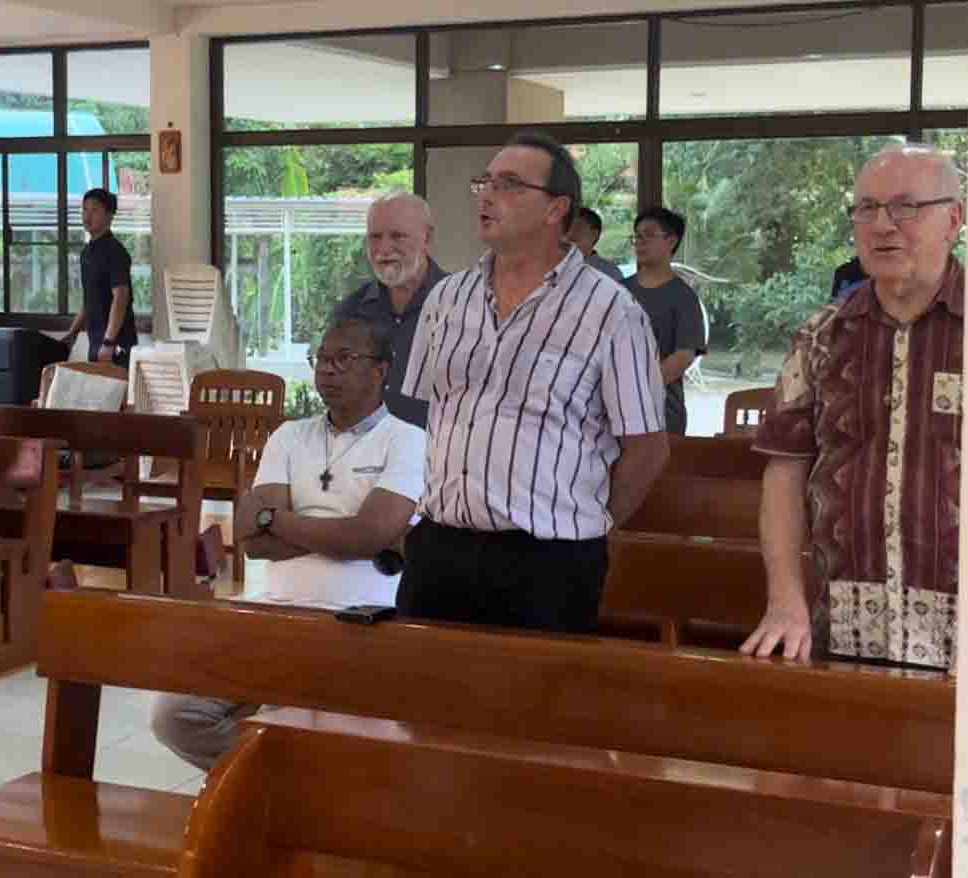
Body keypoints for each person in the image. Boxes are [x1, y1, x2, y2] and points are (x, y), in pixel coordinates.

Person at [397, 131, 669, 635]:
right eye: (485, 182)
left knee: (535, 689)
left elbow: (648, 448)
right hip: (440, 548)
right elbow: (425, 417)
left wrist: (589, 522)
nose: (487, 195)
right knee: (421, 684)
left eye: (508, 185)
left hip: (550, 560)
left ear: (555, 209)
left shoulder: (610, 311)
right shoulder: (446, 300)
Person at [150, 316, 426, 769]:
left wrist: (277, 520)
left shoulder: (408, 441)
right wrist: (352, 536)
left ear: (380, 371)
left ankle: (287, 788)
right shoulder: (290, 436)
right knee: (175, 713)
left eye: (344, 359)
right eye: (322, 358)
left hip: (363, 624)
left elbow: (367, 533)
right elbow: (253, 542)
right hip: (275, 612)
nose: (327, 369)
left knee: (312, 731)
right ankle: (275, 784)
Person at [741, 143, 965, 670]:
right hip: (840, 631)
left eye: (906, 206)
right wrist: (785, 600)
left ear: (954, 219)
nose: (883, 225)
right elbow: (785, 473)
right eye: (867, 208)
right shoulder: (821, 335)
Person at [334, 192, 447, 429]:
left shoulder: (461, 305)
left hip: (438, 447)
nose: (384, 249)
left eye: (397, 236)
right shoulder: (351, 311)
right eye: (375, 237)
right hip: (365, 445)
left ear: (427, 238)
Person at [623, 207, 707, 436]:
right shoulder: (618, 291)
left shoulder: (684, 297)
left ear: (671, 241)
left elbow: (683, 356)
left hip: (662, 412)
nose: (640, 242)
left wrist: (637, 389)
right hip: (613, 410)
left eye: (649, 235)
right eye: (637, 236)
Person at [60, 189, 138, 367]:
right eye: (85, 209)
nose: (87, 216)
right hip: (96, 342)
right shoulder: (87, 253)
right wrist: (72, 333)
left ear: (109, 215)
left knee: (115, 386)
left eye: (94, 210)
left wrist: (109, 341)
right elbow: (90, 301)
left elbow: (121, 296)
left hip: (115, 344)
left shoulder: (115, 251)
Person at [567, 206, 624, 282]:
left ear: (594, 234)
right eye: (567, 227)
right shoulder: (557, 267)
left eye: (577, 227)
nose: (570, 232)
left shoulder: (610, 272)